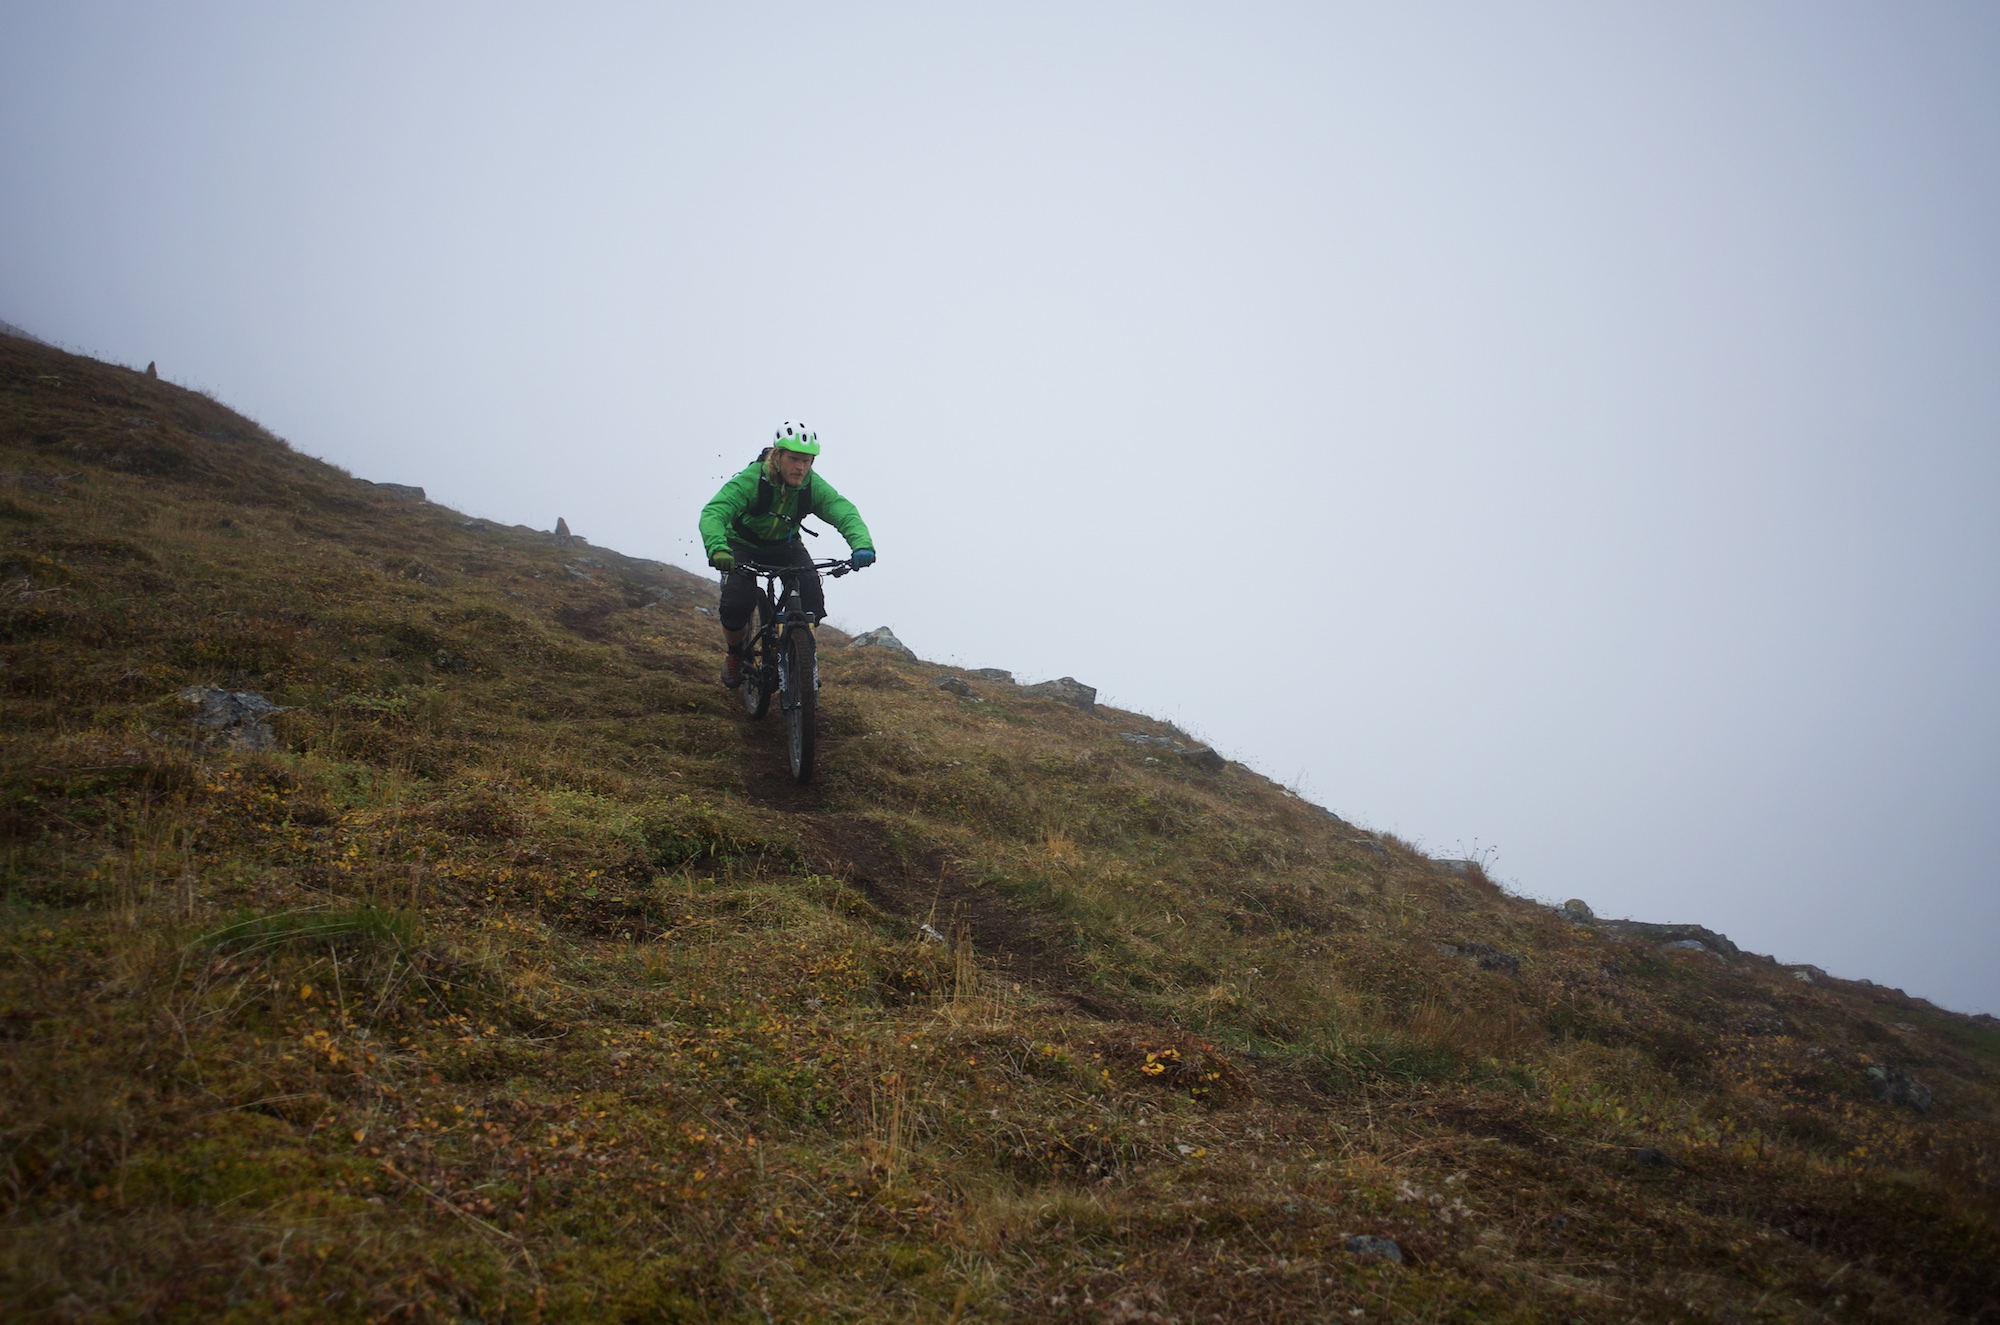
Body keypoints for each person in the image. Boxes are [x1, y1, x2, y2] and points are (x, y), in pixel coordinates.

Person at [698, 422, 876, 688]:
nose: (800, 468)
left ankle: (804, 660)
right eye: (794, 459)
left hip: (786, 545)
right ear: (777, 455)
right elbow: (715, 512)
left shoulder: (810, 485)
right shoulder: (752, 481)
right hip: (742, 545)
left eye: (807, 461)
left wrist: (861, 545)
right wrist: (718, 548)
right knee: (737, 603)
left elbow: (842, 510)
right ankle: (735, 654)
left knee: (812, 597)